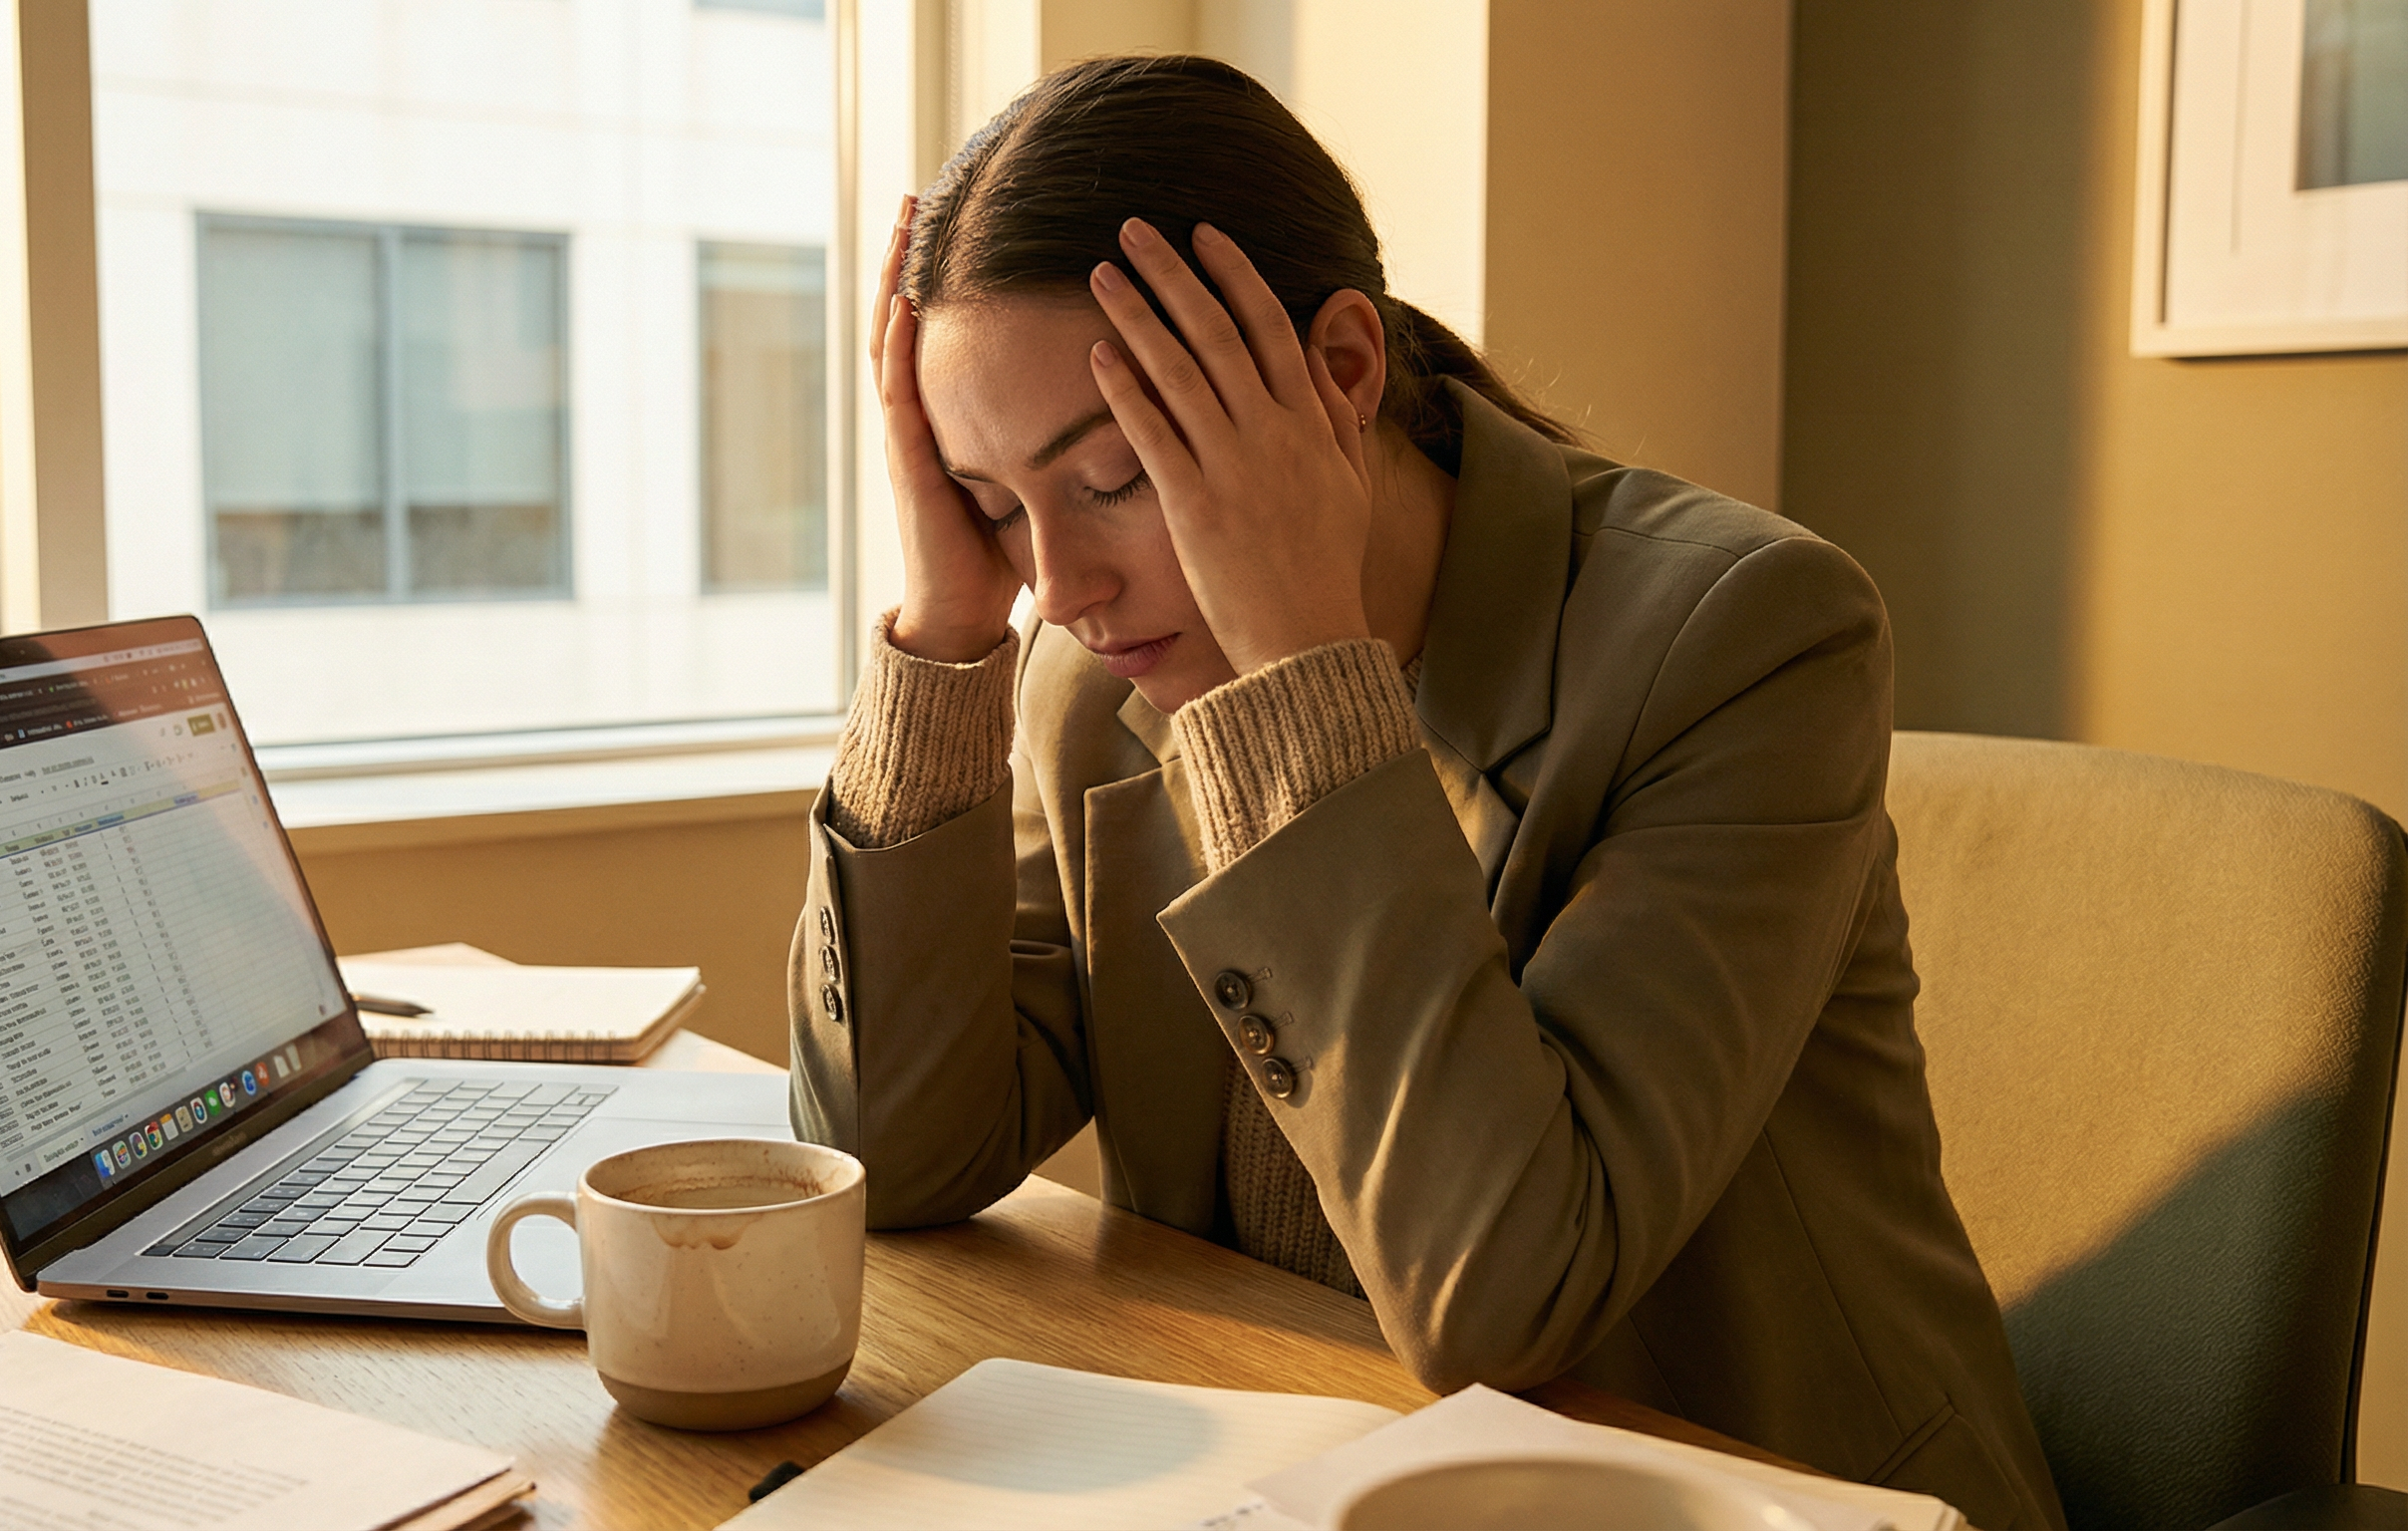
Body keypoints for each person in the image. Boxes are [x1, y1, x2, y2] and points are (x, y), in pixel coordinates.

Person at [785, 54, 2064, 1530]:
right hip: (1312, 1475)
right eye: (998, 504)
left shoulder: (1749, 637)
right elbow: (891, 1157)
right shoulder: (1101, 678)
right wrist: (946, 639)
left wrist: (1301, 682)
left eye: (1119, 476)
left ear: (1338, 371)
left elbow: (1505, 1294)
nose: (1060, 588)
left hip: (1744, 1495)